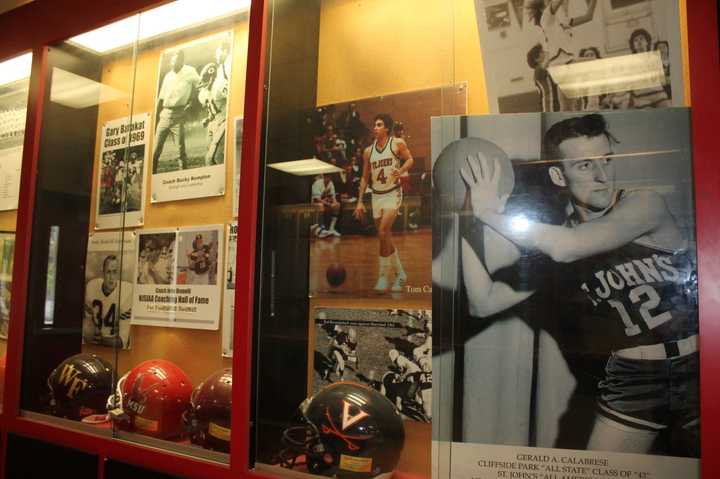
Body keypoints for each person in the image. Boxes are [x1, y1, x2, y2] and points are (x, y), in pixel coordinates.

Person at [459, 113, 698, 456]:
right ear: (559, 175)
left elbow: (568, 248)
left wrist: (490, 215)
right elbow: (482, 301)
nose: (603, 176)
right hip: (632, 377)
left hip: (700, 368)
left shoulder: (644, 203)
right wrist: (469, 222)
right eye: (586, 166)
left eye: (607, 160)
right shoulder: (558, 237)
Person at [353, 114, 414, 292]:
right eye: (374, 124)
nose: (375, 127)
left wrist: (401, 170)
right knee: (386, 236)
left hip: (393, 193)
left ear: (386, 128)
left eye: (379, 125)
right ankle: (401, 274)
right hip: (376, 196)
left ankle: (383, 277)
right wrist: (359, 202)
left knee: (381, 232)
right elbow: (364, 177)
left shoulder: (397, 143)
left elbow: (410, 159)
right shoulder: (367, 152)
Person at [152, 49, 200, 173]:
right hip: (165, 114)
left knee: (180, 150)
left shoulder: (190, 71)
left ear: (181, 60)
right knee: (155, 150)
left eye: (176, 59)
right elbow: (161, 98)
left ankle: (183, 177)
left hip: (179, 114)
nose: (173, 62)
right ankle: (152, 176)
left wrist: (192, 101)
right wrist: (155, 116)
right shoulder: (168, 76)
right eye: (172, 60)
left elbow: (199, 86)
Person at [83, 255, 133, 348]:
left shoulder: (127, 292)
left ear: (118, 274)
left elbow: (122, 341)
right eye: (108, 272)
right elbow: (87, 321)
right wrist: (90, 333)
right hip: (94, 343)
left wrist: (101, 340)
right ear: (103, 273)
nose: (111, 277)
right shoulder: (91, 286)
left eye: (114, 272)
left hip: (114, 346)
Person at [199, 42, 230, 166]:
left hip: (222, 121)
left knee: (212, 157)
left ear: (211, 77)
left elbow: (231, 100)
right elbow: (214, 109)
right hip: (213, 123)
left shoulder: (220, 86)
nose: (203, 83)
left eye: (206, 79)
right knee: (209, 158)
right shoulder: (206, 92)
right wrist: (208, 118)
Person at [626, 29, 671, 109]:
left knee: (667, 115)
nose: (639, 42)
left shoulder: (655, 57)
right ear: (633, 45)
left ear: (647, 42)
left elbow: (661, 80)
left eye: (641, 38)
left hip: (659, 95)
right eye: (635, 40)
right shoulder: (629, 61)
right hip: (641, 99)